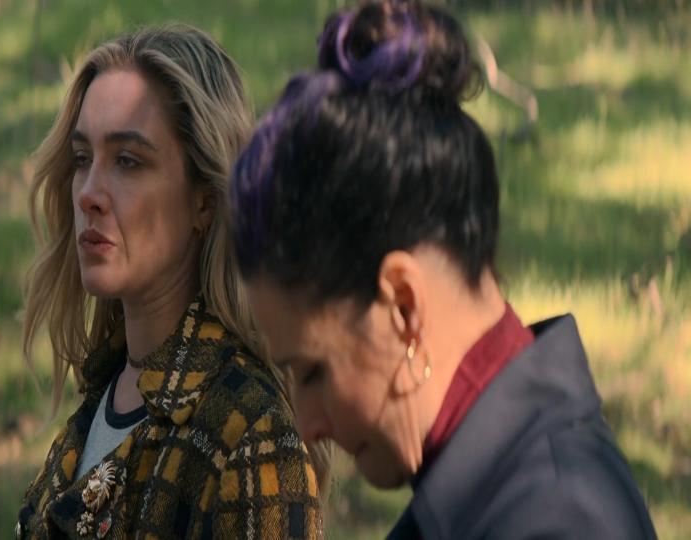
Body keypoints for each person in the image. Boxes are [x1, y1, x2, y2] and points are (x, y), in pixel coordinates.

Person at [230, 1, 657, 538]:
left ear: (404, 304)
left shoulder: (555, 521)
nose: (307, 423)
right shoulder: (503, 492)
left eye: (314, 371)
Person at [16, 24, 323, 539]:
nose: (89, 193)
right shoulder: (106, 391)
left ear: (205, 198)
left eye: (129, 162)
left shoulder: (248, 435)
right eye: (83, 159)